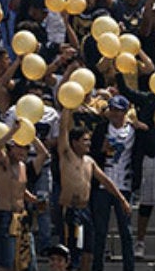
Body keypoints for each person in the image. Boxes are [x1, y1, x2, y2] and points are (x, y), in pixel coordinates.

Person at [58, 106, 131, 271]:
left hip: (85, 211)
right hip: (70, 210)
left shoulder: (89, 161)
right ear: (75, 142)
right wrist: (67, 108)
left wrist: (122, 199)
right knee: (72, 251)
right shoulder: (67, 155)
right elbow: (63, 130)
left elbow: (106, 181)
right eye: (85, 140)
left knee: (88, 251)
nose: (89, 143)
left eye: (89, 140)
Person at [0, 119, 47, 271]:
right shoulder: (3, 163)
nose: (22, 151)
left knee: (29, 261)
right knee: (7, 261)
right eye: (18, 148)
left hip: (22, 217)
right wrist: (13, 131)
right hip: (5, 216)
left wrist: (30, 133)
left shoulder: (23, 167)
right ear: (10, 149)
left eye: (25, 148)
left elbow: (44, 153)